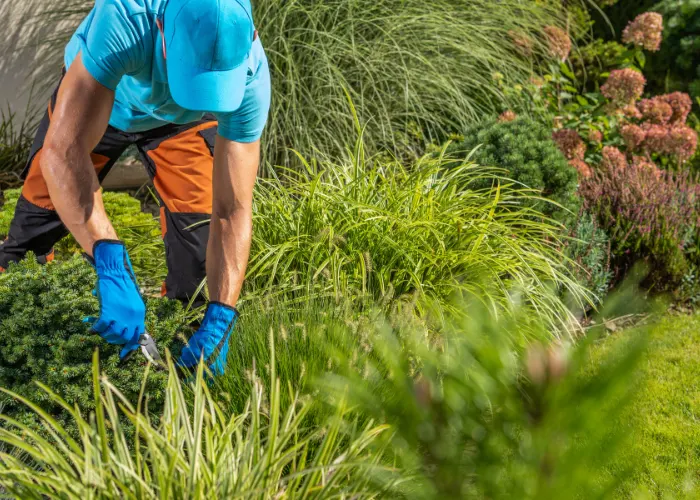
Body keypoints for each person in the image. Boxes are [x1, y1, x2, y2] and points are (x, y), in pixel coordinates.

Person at [0, 0, 271, 375]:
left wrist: (223, 313)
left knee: (197, 254)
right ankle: (16, 352)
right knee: (32, 230)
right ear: (160, 32)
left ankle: (177, 372)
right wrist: (110, 261)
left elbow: (232, 209)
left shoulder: (250, 79)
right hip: (102, 100)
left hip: (182, 125)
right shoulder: (126, 17)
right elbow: (63, 153)